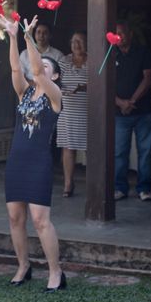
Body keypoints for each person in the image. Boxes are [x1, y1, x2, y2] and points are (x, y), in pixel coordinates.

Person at [0, 14, 66, 293]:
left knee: (40, 220)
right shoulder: (24, 93)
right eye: (41, 64)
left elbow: (36, 70)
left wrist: (28, 38)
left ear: (56, 75)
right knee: (15, 217)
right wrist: (14, 36)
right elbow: (18, 68)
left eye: (48, 65)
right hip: (17, 160)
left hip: (39, 161)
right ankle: (23, 266)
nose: (41, 68)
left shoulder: (55, 95)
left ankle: (56, 272)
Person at [114, 20, 151, 201]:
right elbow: (104, 83)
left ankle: (144, 189)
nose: (120, 36)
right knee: (119, 153)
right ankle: (120, 188)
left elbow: (148, 79)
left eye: (123, 32)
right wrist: (120, 103)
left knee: (145, 152)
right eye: (116, 33)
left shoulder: (143, 52)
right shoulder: (110, 53)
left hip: (144, 112)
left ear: (130, 34)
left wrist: (130, 101)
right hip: (119, 113)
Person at [57, 31, 88, 197]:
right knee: (68, 147)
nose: (76, 45)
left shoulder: (93, 59)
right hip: (68, 111)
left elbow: (101, 82)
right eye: (74, 41)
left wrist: (86, 87)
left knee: (92, 147)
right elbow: (55, 80)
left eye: (81, 41)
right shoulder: (64, 61)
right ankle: (68, 183)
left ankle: (94, 182)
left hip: (88, 111)